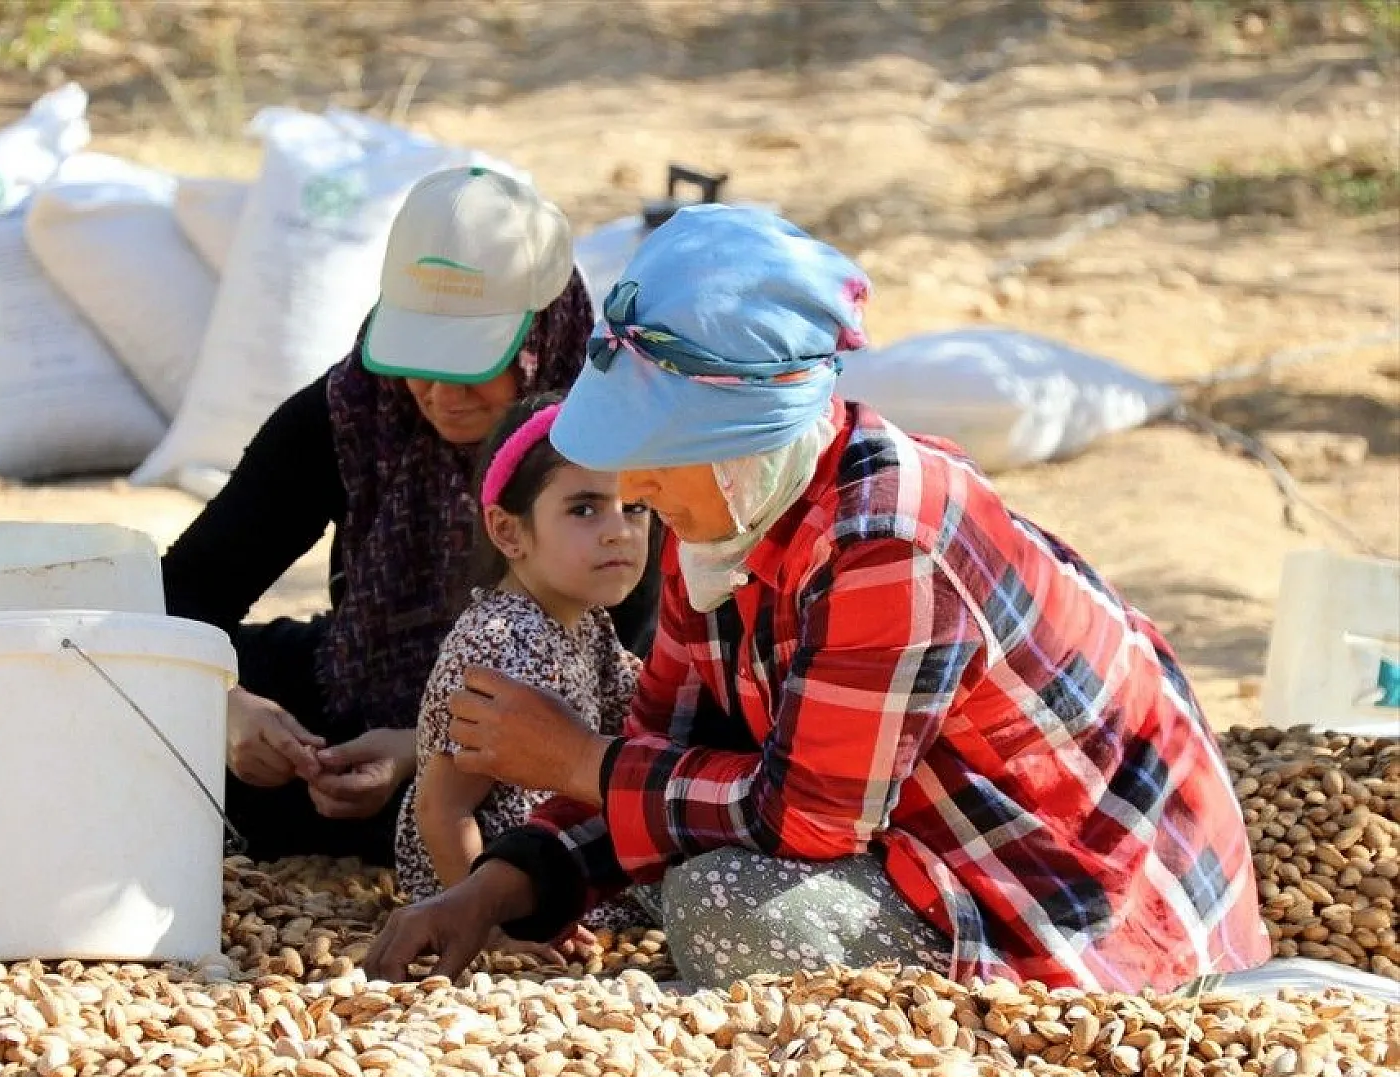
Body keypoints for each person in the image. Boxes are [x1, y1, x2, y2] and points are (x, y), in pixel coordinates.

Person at [366, 205, 1271, 994]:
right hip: (919, 840)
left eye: (654, 449)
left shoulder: (888, 544)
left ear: (744, 442)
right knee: (675, 847)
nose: (632, 485)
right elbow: (664, 743)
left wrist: (573, 760)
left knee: (727, 902)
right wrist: (493, 891)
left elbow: (803, 817)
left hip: (1073, 900)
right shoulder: (720, 524)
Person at [161, 167, 660, 864]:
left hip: (538, 739)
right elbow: (184, 590)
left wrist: (420, 750)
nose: (435, 392)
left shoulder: (609, 448)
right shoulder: (353, 411)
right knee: (136, 686)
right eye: (417, 361)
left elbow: (616, 685)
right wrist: (223, 704)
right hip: (360, 691)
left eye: (469, 364)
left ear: (542, 336)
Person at [393, 393, 652, 937]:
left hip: (562, 856)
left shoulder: (586, 622)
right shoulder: (499, 647)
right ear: (509, 531)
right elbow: (443, 809)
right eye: (584, 509)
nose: (617, 530)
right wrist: (490, 927)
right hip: (494, 886)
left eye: (634, 508)